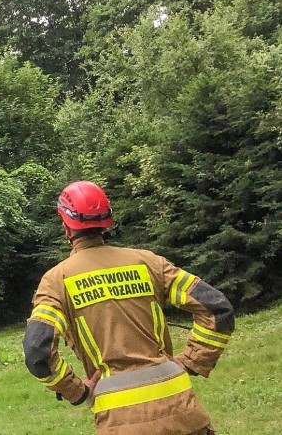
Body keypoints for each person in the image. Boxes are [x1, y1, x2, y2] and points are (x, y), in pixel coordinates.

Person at [22, 181, 234, 435]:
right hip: (184, 415)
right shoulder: (149, 263)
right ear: (107, 219)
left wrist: (77, 391)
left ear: (65, 225)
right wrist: (190, 361)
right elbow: (216, 308)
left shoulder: (57, 281)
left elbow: (37, 350)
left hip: (121, 424)